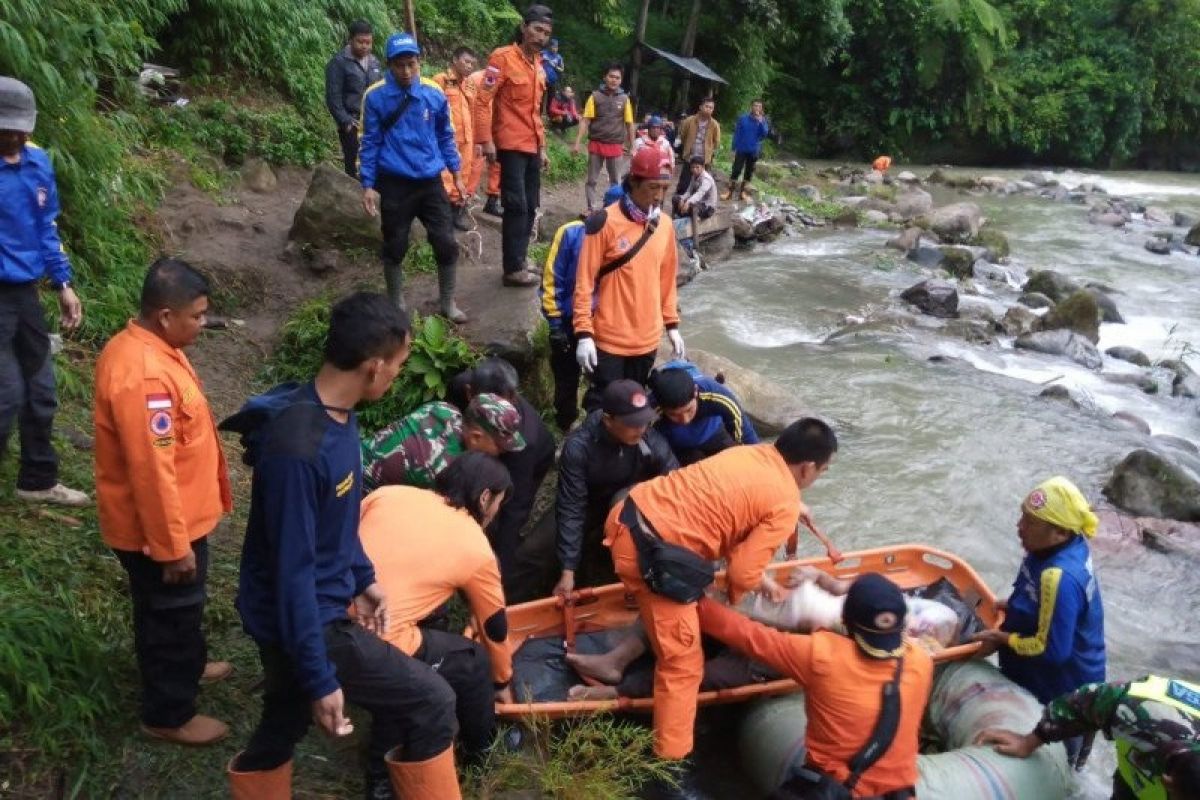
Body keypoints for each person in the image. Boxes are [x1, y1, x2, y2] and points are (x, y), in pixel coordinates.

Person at [222, 293, 463, 799]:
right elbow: (292, 576)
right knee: (432, 700)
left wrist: (363, 577)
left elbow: (341, 519)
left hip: (322, 601)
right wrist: (321, 676)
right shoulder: (296, 452)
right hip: (309, 619)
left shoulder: (340, 415)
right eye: (397, 367)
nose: (396, 375)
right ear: (374, 367)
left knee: (283, 721)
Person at [602, 418, 836, 795]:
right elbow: (742, 572)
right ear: (808, 467)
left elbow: (732, 524)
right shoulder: (784, 502)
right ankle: (668, 768)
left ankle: (616, 661)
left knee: (679, 606)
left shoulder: (752, 454)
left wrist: (760, 578)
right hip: (653, 553)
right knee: (682, 666)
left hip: (628, 515)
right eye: (822, 471)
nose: (817, 477)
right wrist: (752, 591)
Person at [93, 258, 232, 746]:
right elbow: (153, 472)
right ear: (166, 316)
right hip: (160, 533)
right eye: (196, 315)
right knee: (170, 613)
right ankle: (168, 713)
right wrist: (172, 546)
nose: (202, 324)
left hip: (176, 521)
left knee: (174, 611)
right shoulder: (146, 375)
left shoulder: (152, 346)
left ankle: (186, 667)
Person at [698, 573, 933, 800]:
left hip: (835, 790)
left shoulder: (821, 655)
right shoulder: (922, 661)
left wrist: (697, 602)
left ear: (846, 620)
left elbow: (751, 637)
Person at [357, 454, 515, 765]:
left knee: (435, 620)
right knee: (473, 662)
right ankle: (480, 753)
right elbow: (494, 626)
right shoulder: (476, 546)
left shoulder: (389, 494)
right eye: (498, 505)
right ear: (485, 497)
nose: (496, 514)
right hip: (373, 641)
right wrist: (502, 682)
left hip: (326, 616)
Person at [972, 476, 1106, 763]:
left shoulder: (1059, 576)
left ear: (1059, 532)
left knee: (1063, 766)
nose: (1019, 527)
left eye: (1030, 523)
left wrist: (1002, 638)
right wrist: (1015, 606)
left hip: (1065, 693)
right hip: (1043, 676)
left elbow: (1054, 651)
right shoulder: (1048, 549)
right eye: (1022, 516)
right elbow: (1041, 598)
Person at [0, 77, 88, 507]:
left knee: (40, 387)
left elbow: (45, 227)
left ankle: (36, 479)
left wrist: (63, 284)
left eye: (19, 127)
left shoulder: (37, 164)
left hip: (26, 293)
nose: (13, 136)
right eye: (4, 128)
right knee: (6, 394)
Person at [359, 32, 468, 322]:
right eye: (400, 65)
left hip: (431, 182)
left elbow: (446, 135)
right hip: (395, 183)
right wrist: (368, 185)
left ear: (419, 62)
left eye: (412, 64)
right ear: (389, 65)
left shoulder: (433, 93)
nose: (407, 72)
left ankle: (447, 302)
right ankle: (396, 303)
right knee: (395, 244)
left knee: (445, 241)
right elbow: (369, 141)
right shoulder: (376, 96)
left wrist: (456, 174)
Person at [573, 146, 683, 411]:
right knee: (604, 407)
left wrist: (671, 325)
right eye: (652, 187)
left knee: (635, 406)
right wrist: (584, 333)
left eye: (664, 189)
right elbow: (584, 283)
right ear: (633, 182)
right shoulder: (604, 222)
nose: (658, 196)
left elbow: (667, 279)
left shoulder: (664, 226)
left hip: (647, 338)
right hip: (609, 338)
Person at [976, 676, 1200, 800]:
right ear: (1168, 782)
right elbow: (1083, 703)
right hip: (1135, 782)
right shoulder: (1137, 711)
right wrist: (1029, 742)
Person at [553, 379, 678, 596]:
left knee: (627, 508)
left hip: (632, 503)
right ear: (608, 420)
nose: (641, 429)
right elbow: (571, 507)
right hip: (589, 503)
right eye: (633, 423)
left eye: (644, 421)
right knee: (535, 551)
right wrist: (568, 569)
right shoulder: (579, 448)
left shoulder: (650, 440)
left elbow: (678, 484)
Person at [446, 358, 555, 587]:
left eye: (510, 400)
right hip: (483, 441)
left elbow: (516, 509)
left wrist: (499, 569)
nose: (505, 409)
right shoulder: (461, 387)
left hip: (532, 459)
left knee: (502, 512)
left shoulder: (523, 442)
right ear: (470, 394)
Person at [476, 5, 554, 288]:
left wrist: (542, 147)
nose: (541, 37)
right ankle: (511, 269)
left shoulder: (539, 64)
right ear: (524, 27)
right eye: (537, 30)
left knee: (532, 205)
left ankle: (520, 260)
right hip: (508, 143)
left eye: (546, 33)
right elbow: (483, 99)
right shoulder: (502, 58)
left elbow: (536, 111)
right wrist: (486, 139)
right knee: (516, 205)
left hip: (531, 144)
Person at [361, 392, 526, 492]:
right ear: (476, 437)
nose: (503, 453)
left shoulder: (444, 409)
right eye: (500, 446)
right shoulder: (444, 468)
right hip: (360, 490)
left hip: (355, 452)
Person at [648, 363, 758, 465]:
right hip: (678, 445)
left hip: (713, 432)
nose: (685, 419)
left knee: (736, 462)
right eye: (674, 415)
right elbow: (650, 447)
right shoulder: (651, 410)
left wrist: (757, 459)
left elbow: (743, 429)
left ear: (696, 392)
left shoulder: (714, 392)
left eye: (689, 410)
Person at [539, 218, 586, 431]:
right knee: (566, 376)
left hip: (606, 322)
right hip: (569, 320)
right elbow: (552, 278)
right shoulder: (571, 232)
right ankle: (565, 424)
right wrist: (556, 324)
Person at [324, 20, 383, 179]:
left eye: (368, 42)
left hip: (374, 122)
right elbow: (333, 96)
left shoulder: (374, 62)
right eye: (360, 42)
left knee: (376, 163)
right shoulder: (339, 63)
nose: (364, 46)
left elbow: (381, 89)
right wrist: (345, 122)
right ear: (350, 40)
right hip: (353, 123)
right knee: (354, 166)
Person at [573, 63, 635, 212]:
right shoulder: (595, 96)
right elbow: (586, 120)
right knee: (592, 180)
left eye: (617, 78)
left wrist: (632, 146)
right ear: (605, 77)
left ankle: (613, 209)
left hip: (615, 145)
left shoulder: (625, 99)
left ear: (621, 80)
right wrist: (577, 143)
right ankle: (591, 208)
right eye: (611, 76)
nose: (614, 80)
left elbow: (629, 123)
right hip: (596, 142)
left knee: (615, 181)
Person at [432, 47, 479, 232]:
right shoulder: (441, 80)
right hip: (447, 138)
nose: (469, 66)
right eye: (466, 62)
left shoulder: (469, 84)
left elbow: (473, 111)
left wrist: (476, 139)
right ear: (454, 60)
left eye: (472, 64)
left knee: (464, 175)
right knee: (445, 177)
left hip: (467, 138)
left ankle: (456, 214)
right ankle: (441, 217)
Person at [724, 99, 770, 202]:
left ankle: (743, 193)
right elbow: (737, 133)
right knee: (736, 170)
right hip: (741, 149)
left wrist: (760, 122)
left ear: (761, 109)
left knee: (748, 172)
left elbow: (764, 135)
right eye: (755, 105)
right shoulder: (743, 118)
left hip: (753, 151)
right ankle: (729, 192)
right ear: (751, 107)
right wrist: (733, 147)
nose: (756, 108)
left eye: (759, 106)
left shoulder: (763, 121)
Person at [674, 98, 720, 198]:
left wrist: (710, 152)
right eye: (707, 106)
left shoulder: (714, 125)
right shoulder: (689, 121)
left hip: (704, 160)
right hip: (690, 157)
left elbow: (716, 142)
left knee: (702, 185)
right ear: (701, 107)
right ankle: (678, 205)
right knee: (684, 184)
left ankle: (693, 207)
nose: (708, 109)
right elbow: (683, 135)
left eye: (711, 108)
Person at [674, 156, 718, 220]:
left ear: (703, 167)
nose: (694, 169)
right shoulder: (694, 176)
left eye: (697, 167)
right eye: (692, 167)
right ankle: (678, 216)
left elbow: (699, 194)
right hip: (698, 202)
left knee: (692, 208)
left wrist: (688, 202)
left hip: (707, 207)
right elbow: (689, 191)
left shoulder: (706, 179)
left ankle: (683, 218)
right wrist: (682, 199)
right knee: (676, 199)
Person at [541, 38, 565, 112]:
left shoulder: (559, 57)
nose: (555, 49)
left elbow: (562, 69)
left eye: (556, 47)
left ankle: (549, 114)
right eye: (554, 47)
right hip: (542, 79)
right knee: (540, 97)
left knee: (551, 98)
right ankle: (538, 114)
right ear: (550, 46)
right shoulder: (543, 53)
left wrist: (555, 66)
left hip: (553, 81)